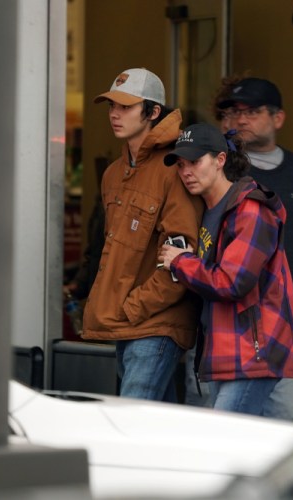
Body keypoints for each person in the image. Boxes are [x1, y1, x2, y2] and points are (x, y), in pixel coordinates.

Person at [159, 122, 293, 417]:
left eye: (195, 161)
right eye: (180, 164)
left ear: (220, 160)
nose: (186, 171)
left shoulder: (250, 209)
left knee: (222, 441)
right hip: (227, 349)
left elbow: (232, 281)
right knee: (245, 445)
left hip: (254, 352)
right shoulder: (208, 211)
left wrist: (180, 261)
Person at [81, 68, 203, 402]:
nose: (114, 114)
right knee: (156, 426)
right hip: (127, 323)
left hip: (156, 323)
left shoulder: (175, 167)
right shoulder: (112, 174)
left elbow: (182, 257)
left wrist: (132, 307)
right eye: (111, 106)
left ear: (152, 112)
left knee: (132, 417)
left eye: (125, 107)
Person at [218, 77, 293, 424]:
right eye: (234, 112)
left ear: (277, 118)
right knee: (231, 417)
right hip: (236, 307)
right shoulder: (221, 169)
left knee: (289, 412)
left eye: (251, 111)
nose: (241, 119)